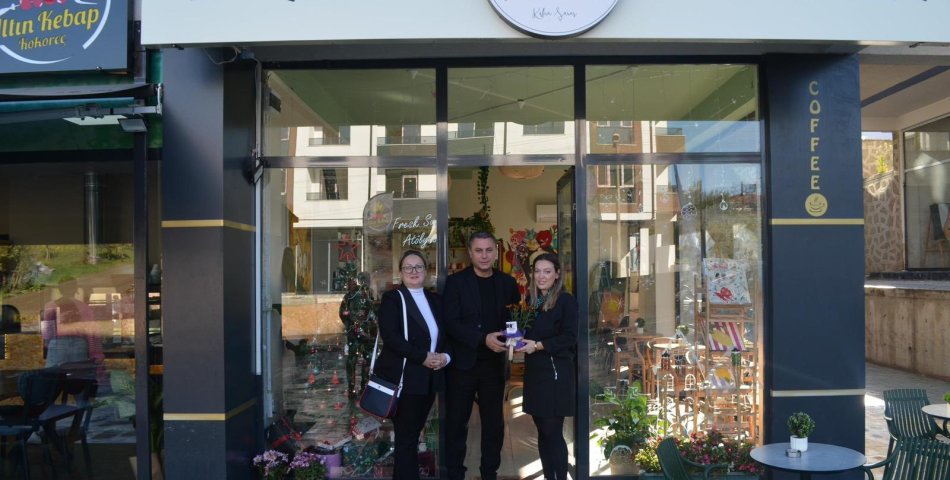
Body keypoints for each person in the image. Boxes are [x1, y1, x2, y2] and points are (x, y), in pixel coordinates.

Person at [443, 231, 520, 480]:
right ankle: (456, 474)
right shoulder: (455, 282)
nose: (484, 255)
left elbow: (515, 321)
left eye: (488, 250)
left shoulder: (508, 283)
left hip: (494, 366)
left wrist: (512, 340)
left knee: (493, 426)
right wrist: (482, 338)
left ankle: (489, 473)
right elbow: (450, 323)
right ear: (470, 252)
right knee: (457, 424)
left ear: (496, 252)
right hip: (462, 366)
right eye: (479, 250)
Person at [375, 250, 451, 480]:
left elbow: (446, 336)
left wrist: (445, 357)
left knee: (411, 437)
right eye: (408, 267)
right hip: (405, 380)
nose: (414, 271)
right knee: (407, 440)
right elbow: (391, 337)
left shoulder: (436, 300)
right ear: (401, 272)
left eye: (418, 267)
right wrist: (422, 357)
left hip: (428, 381)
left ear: (426, 271)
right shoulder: (393, 299)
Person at [516, 253, 577, 480]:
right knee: (542, 431)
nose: (541, 276)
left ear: (557, 274)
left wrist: (538, 345)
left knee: (552, 433)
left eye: (547, 271)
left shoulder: (566, 301)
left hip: (555, 373)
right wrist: (516, 338)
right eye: (538, 271)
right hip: (535, 372)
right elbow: (528, 332)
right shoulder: (533, 301)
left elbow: (570, 337)